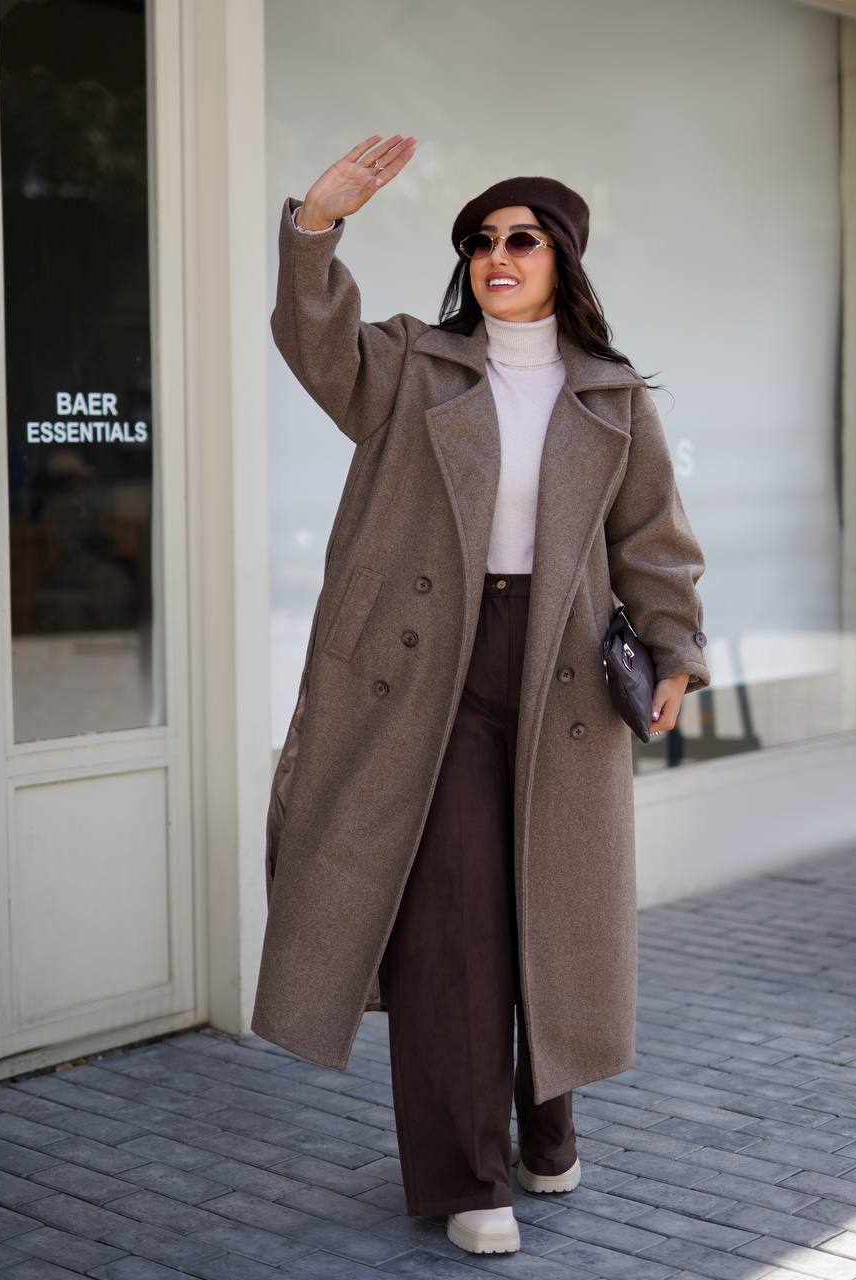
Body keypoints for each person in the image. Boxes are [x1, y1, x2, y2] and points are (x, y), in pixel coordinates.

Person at [254, 134, 711, 1257]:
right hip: (429, 675)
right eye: (481, 240)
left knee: (549, 904)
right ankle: (469, 1172)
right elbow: (314, 343)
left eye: (523, 239)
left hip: (563, 669)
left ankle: (547, 1123)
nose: (497, 255)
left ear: (563, 259)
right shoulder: (414, 364)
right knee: (451, 919)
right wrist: (316, 226)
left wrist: (675, 652)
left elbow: (652, 541)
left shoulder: (613, 396)